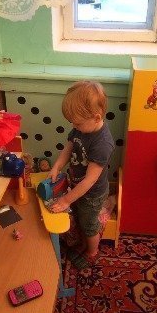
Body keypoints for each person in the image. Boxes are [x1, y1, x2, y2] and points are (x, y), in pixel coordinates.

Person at [48, 81, 115, 269]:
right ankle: (82, 240)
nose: (73, 126)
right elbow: (69, 147)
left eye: (77, 123)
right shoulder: (80, 127)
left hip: (92, 194)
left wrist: (66, 200)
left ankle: (92, 252)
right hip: (77, 186)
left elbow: (90, 181)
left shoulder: (102, 144)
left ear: (96, 117)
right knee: (78, 216)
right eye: (72, 122)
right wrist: (57, 166)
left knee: (89, 225)